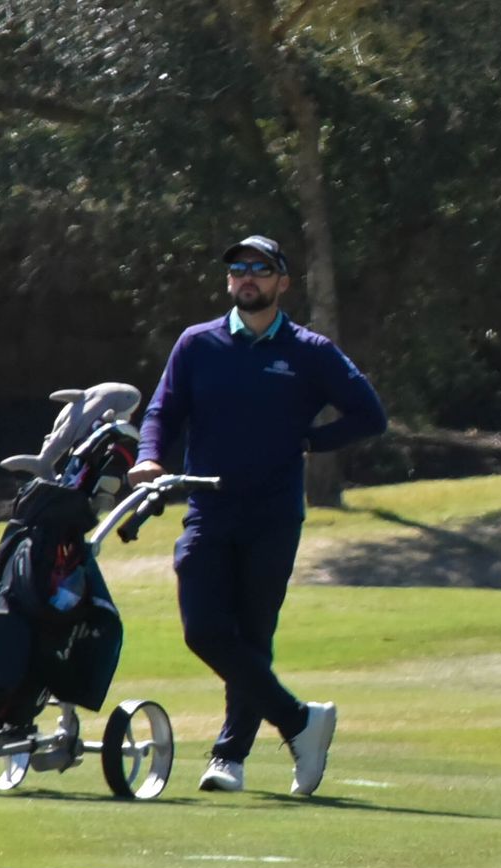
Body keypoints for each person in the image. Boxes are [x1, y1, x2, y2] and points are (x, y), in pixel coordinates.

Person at [130, 234, 387, 797]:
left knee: (253, 634)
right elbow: (163, 409)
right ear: (229, 282)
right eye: (239, 269)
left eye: (261, 269)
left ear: (282, 282)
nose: (247, 277)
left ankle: (230, 757)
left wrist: (310, 442)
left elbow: (370, 415)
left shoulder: (309, 351)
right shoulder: (197, 344)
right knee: (204, 630)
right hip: (208, 509)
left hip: (272, 514)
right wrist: (150, 456)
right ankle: (300, 722)